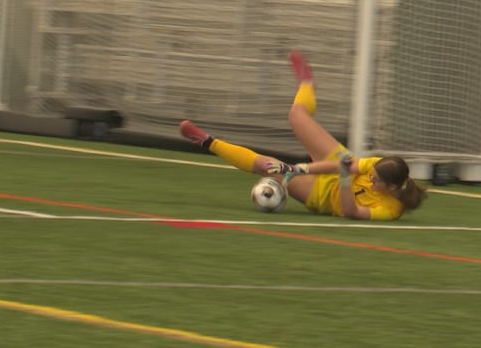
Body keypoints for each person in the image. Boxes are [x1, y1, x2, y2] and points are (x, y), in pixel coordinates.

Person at [179, 51, 427, 221]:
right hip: (336, 167)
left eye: (376, 181)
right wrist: (299, 169)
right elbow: (342, 165)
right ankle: (307, 85)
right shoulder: (378, 165)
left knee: (268, 167)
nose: (371, 179)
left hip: (323, 196)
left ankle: (207, 142)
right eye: (372, 175)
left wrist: (342, 178)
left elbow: (350, 211)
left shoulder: (390, 210)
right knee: (296, 115)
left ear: (392, 187)